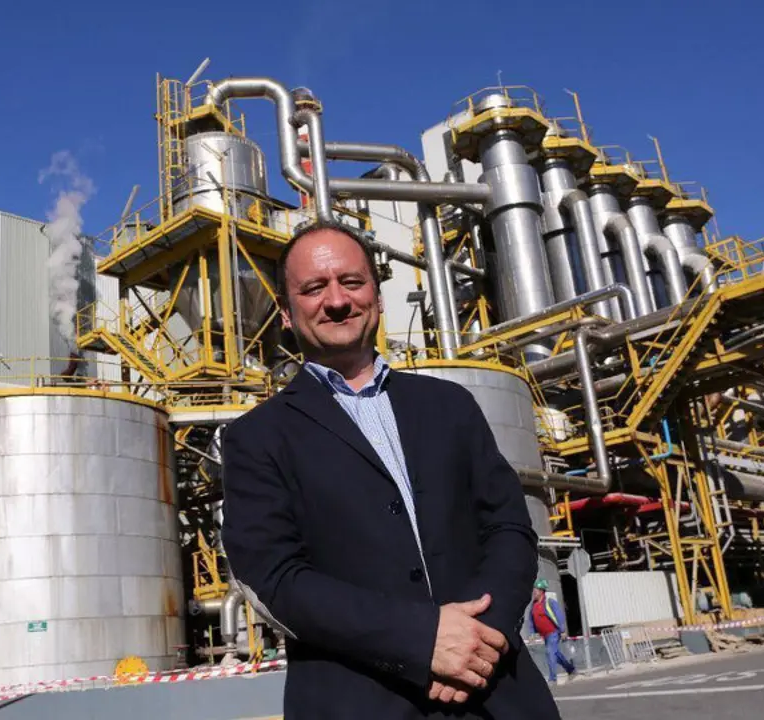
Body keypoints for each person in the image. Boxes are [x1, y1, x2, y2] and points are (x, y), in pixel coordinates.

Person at [221, 220, 561, 719]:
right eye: (313, 288)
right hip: (360, 703)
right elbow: (277, 578)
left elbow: (509, 527)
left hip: (496, 693)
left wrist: (478, 638)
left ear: (377, 298)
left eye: (351, 282)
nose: (337, 300)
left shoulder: (450, 405)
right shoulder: (256, 437)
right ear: (287, 314)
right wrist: (423, 640)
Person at [525, 579, 577, 684]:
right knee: (555, 654)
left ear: (541, 591)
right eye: (533, 590)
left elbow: (559, 616)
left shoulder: (550, 602)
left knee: (550, 653)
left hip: (553, 633)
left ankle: (552, 679)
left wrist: (562, 630)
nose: (533, 592)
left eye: (535, 590)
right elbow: (531, 620)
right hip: (544, 635)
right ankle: (571, 669)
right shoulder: (533, 605)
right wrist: (532, 634)